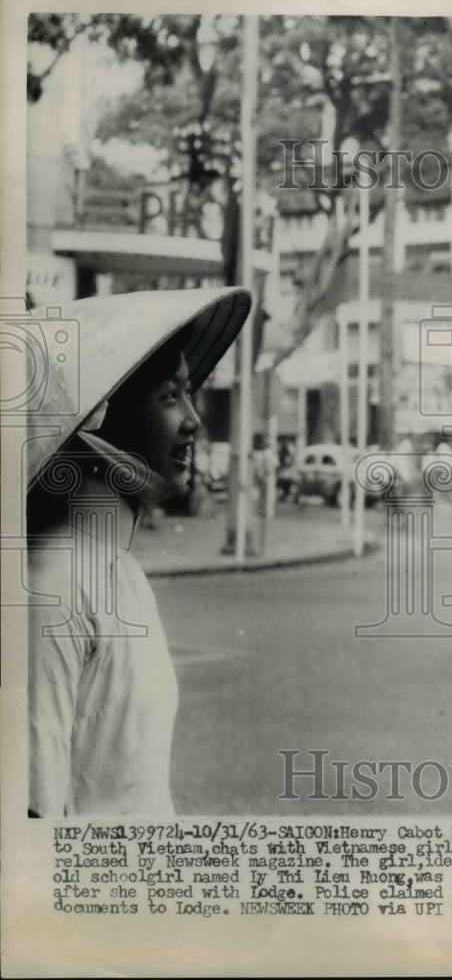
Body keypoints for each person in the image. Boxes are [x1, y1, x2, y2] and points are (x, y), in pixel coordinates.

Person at [26, 287, 250, 817]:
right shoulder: (51, 585)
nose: (193, 420)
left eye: (188, 394)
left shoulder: (117, 568)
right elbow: (31, 812)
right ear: (102, 419)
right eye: (169, 398)